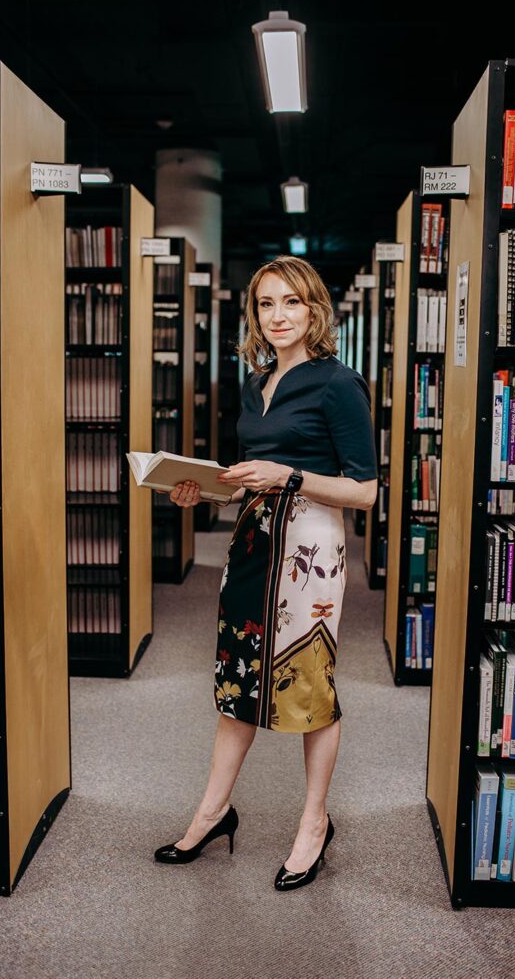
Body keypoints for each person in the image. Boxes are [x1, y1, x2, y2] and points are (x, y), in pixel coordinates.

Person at [153, 255, 377, 890]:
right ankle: (213, 811)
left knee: (309, 686)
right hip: (251, 545)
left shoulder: (339, 384)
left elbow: (365, 491)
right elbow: (250, 473)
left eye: (291, 303)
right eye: (266, 304)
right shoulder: (254, 384)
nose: (278, 316)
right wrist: (207, 490)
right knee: (237, 681)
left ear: (314, 310)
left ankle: (314, 823)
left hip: (310, 552)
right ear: (253, 315)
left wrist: (291, 476)